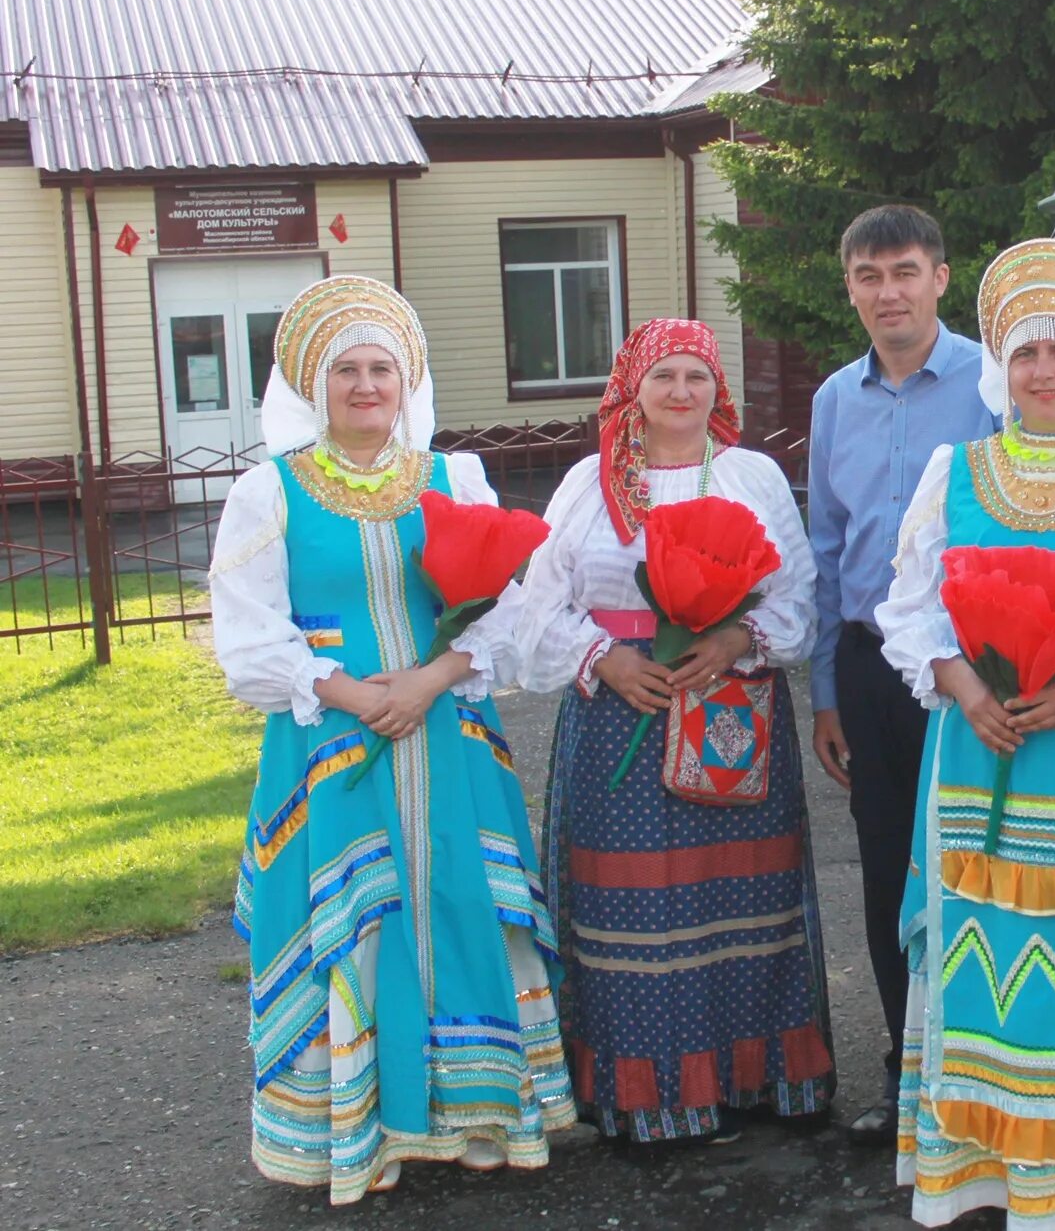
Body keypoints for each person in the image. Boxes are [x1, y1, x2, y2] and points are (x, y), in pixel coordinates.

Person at [209, 275, 572, 1205]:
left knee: (460, 899)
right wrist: (343, 691)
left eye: (382, 368)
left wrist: (427, 679)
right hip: (331, 743)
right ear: (311, 386)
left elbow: (513, 606)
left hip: (447, 730)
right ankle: (358, 1132)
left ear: (407, 382)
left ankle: (479, 1115)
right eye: (346, 371)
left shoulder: (456, 478)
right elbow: (248, 632)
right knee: (359, 915)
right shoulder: (270, 492)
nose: (367, 385)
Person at [876, 240, 1055, 1226]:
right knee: (980, 950)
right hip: (976, 750)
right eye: (1027, 353)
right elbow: (908, 609)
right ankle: (991, 1172)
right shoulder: (956, 468)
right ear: (1001, 366)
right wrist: (960, 682)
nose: (1043, 372)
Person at [516, 318, 834, 1146]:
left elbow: (798, 598)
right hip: (621, 710)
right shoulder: (590, 483)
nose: (682, 392)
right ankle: (652, 1094)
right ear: (633, 388)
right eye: (665, 377)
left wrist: (735, 640)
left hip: (732, 716)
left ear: (716, 387)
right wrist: (606, 659)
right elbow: (539, 607)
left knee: (744, 899)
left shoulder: (752, 476)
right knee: (634, 910)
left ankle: (757, 1076)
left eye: (697, 375)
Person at [806, 204, 998, 1143]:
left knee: (971, 861)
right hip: (867, 668)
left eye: (907, 271)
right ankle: (904, 1074)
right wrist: (826, 694)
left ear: (942, 277)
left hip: (969, 668)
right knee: (886, 872)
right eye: (871, 276)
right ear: (850, 287)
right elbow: (825, 546)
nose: (890, 292)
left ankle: (982, 1079)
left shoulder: (991, 385)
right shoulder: (835, 398)